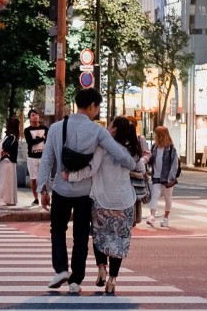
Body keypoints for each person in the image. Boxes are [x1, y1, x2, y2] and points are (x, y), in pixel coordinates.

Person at [39, 88, 136, 294]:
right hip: (84, 193)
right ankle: (76, 281)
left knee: (57, 230)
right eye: (97, 107)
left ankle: (61, 269)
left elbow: (47, 160)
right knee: (80, 237)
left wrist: (42, 188)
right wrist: (132, 162)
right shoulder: (97, 131)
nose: (97, 111)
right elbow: (118, 153)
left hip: (61, 189)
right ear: (92, 106)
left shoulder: (56, 128)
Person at [84, 117, 145, 296]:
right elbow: (140, 168)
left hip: (102, 199)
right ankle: (112, 280)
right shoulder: (131, 151)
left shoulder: (102, 148)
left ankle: (101, 267)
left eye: (110, 125)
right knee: (119, 241)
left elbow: (92, 168)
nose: (108, 127)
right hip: (125, 202)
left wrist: (71, 177)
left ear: (114, 130)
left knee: (99, 236)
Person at [145, 125, 180, 228]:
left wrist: (171, 177)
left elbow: (174, 164)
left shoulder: (170, 148)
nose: (155, 136)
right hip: (156, 176)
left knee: (167, 197)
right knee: (154, 196)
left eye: (157, 134)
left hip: (167, 177)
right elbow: (152, 160)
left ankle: (165, 218)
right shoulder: (155, 147)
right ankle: (152, 216)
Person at [23, 108, 48, 206]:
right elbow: (30, 142)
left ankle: (44, 197)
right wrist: (41, 138)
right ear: (29, 118)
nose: (35, 116)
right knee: (33, 180)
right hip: (32, 157)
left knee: (44, 178)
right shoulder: (27, 130)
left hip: (43, 157)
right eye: (33, 115)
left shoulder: (45, 128)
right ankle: (36, 198)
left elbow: (48, 141)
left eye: (36, 114)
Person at [0, 116, 19, 207]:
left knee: (4, 181)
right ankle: (7, 199)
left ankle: (4, 199)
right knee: (8, 182)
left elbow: (5, 147)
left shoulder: (8, 136)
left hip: (5, 161)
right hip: (9, 162)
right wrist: (7, 153)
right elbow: (6, 147)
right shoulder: (13, 137)